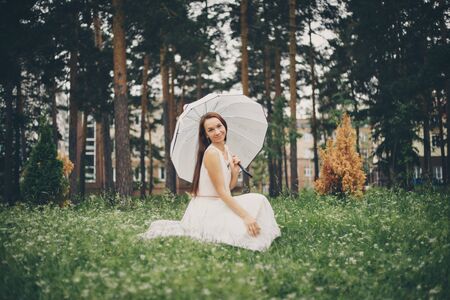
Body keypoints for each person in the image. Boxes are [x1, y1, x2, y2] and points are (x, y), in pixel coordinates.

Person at [138, 112, 281, 251]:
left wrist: (235, 171)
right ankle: (253, 231)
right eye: (211, 130)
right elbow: (223, 193)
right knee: (252, 210)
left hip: (219, 203)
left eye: (219, 126)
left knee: (259, 200)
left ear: (225, 126)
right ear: (206, 134)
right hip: (207, 209)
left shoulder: (226, 149)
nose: (217, 132)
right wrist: (246, 216)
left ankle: (258, 232)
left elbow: (228, 188)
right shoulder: (212, 153)